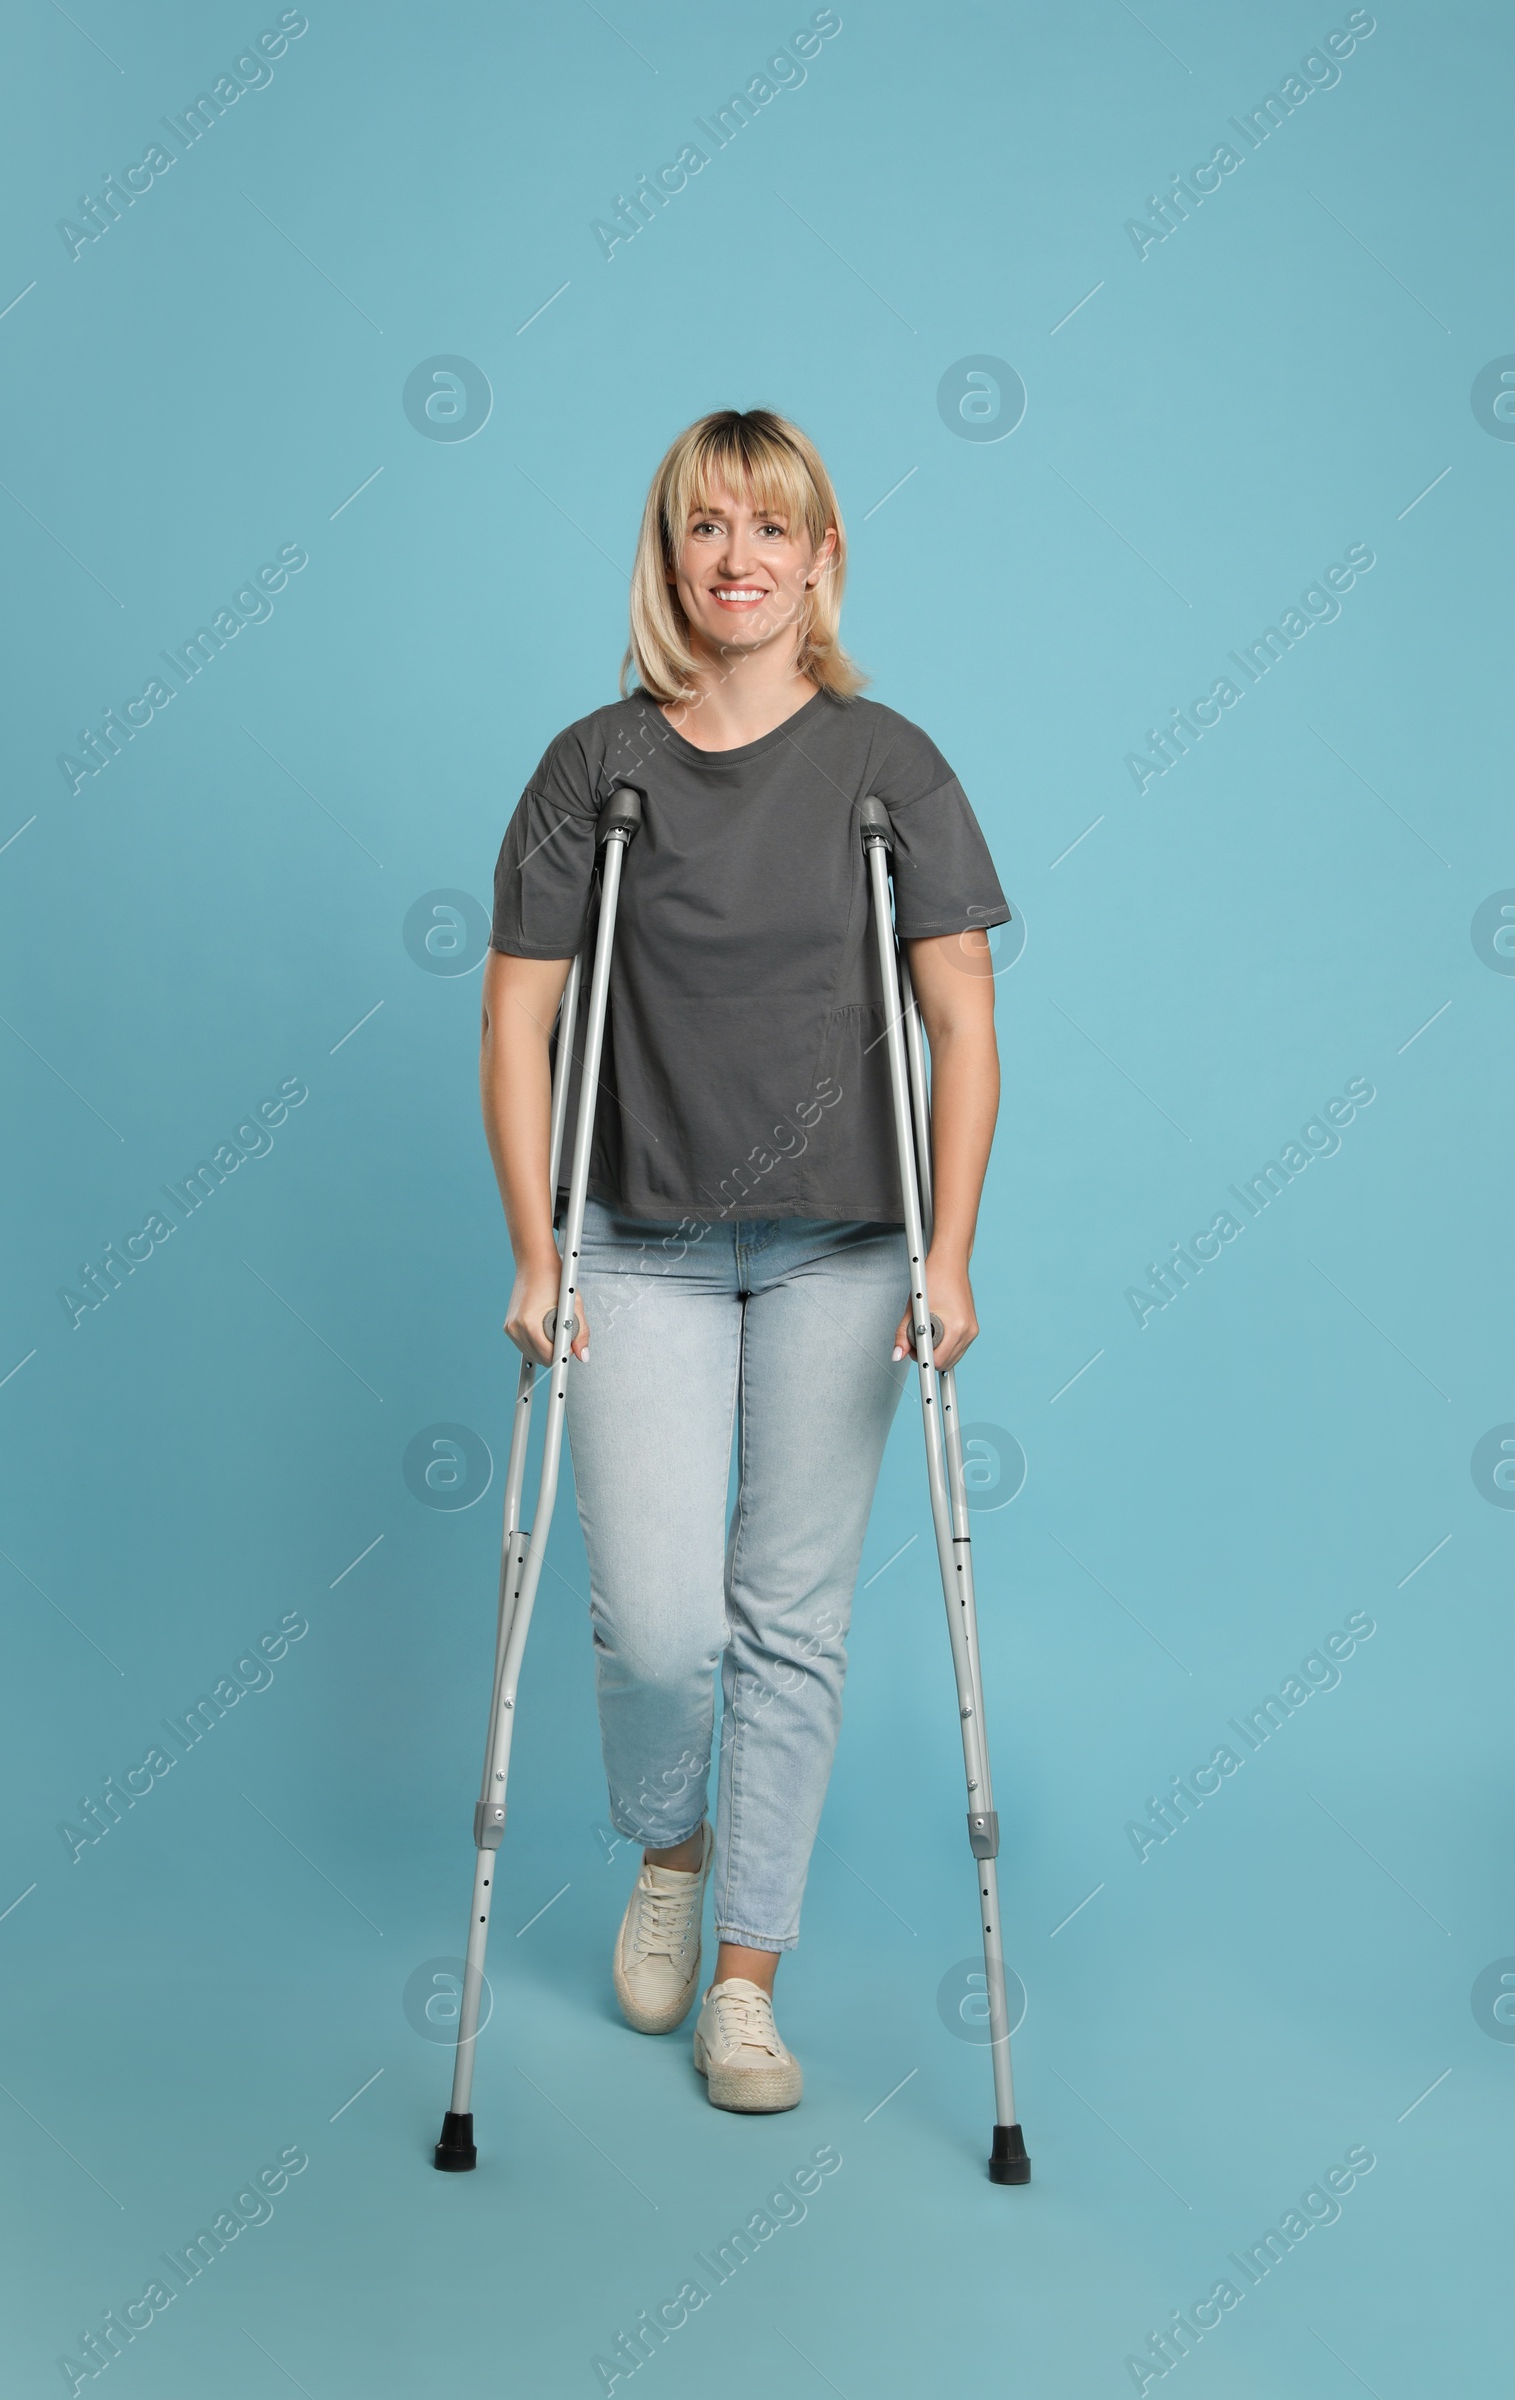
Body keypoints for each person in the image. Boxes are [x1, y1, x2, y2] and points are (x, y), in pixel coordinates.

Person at [482, 408, 1008, 2113]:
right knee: (656, 1629)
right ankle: (669, 1843)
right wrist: (530, 1248)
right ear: (671, 555)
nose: (740, 560)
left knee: (789, 1621)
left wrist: (956, 1251)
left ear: (822, 558)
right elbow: (517, 1020)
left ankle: (748, 1982)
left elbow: (960, 1023)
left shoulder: (890, 767)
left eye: (773, 530)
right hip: (631, 1239)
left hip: (847, 1250)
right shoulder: (595, 768)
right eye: (708, 529)